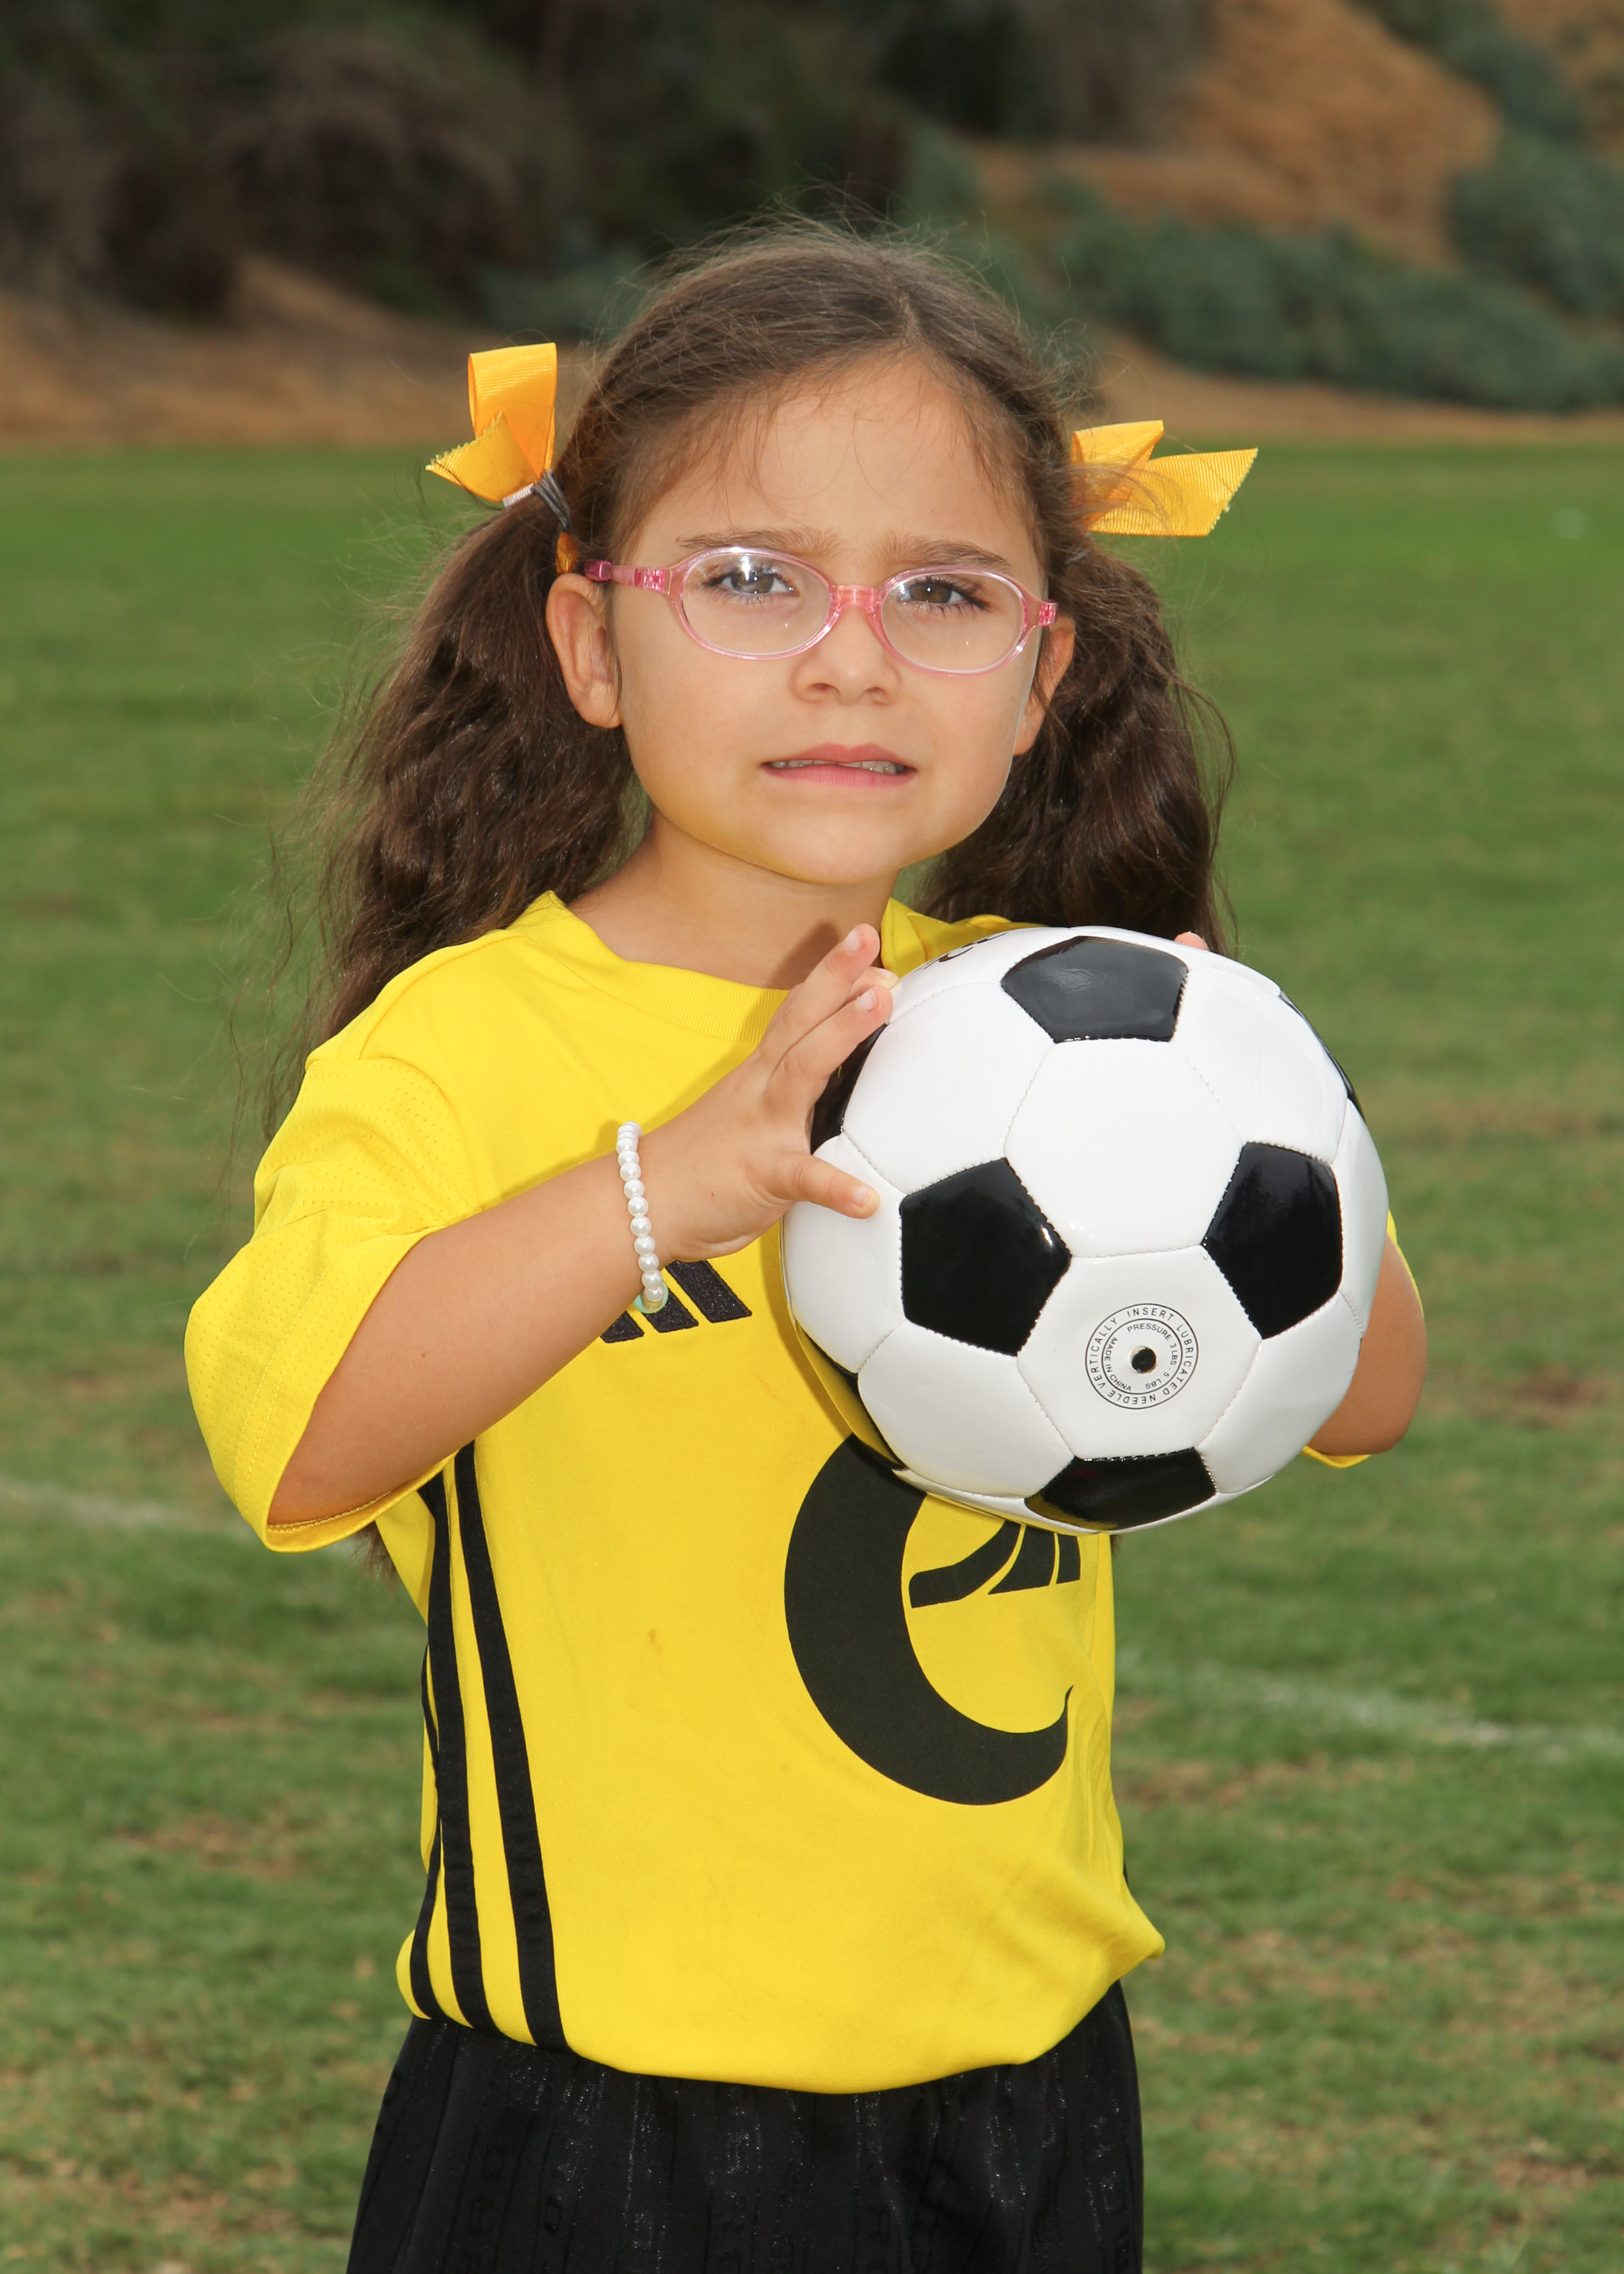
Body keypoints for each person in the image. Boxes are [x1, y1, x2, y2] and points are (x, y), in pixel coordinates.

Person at [186, 226, 1427, 2274]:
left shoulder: (1052, 1025)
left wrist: (1244, 1124)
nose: (852, 659)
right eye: (752, 579)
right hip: (609, 2118)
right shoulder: (462, 1050)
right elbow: (301, 1438)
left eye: (943, 593)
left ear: (1040, 672)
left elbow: (1365, 1392)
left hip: (1029, 2082)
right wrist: (669, 1184)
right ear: (592, 642)